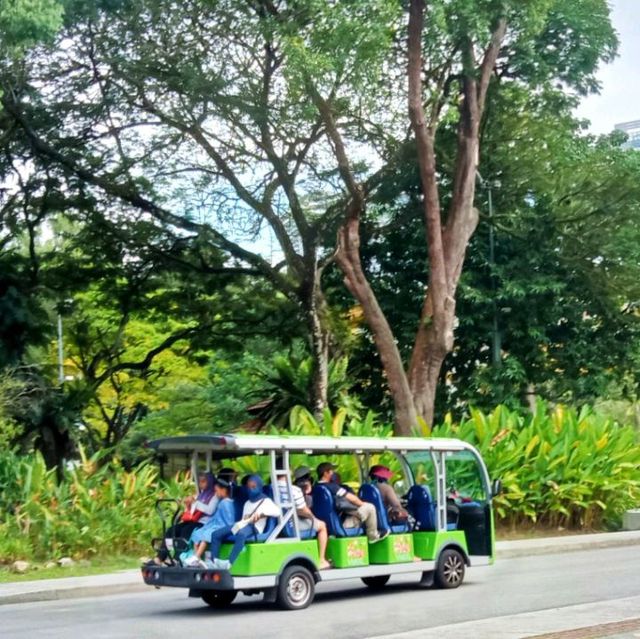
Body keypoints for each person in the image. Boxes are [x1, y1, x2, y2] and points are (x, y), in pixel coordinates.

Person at [208, 474, 281, 570]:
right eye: (249, 487)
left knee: (241, 534)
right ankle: (214, 561)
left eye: (254, 487)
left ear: (259, 487)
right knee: (216, 534)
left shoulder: (266, 501)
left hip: (254, 528)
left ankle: (229, 563)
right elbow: (243, 520)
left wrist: (262, 514)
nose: (251, 489)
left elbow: (278, 512)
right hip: (242, 525)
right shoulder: (247, 503)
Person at [155, 471, 217, 564]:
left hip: (205, 523)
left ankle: (177, 558)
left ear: (210, 482)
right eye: (200, 481)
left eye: (203, 481)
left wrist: (196, 502)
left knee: (185, 531)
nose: (200, 484)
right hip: (194, 520)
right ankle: (160, 557)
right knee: (172, 530)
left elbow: (210, 510)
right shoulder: (201, 495)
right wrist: (188, 504)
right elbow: (193, 510)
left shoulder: (215, 496)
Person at [316, 462, 387, 543]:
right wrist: (362, 504)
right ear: (325, 473)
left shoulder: (316, 487)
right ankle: (373, 536)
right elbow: (351, 498)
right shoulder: (332, 486)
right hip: (341, 523)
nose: (333, 473)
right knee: (370, 507)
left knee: (355, 513)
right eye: (331, 471)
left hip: (329, 523)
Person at [278, 469, 331, 570]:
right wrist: (313, 517)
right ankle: (321, 560)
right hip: (293, 524)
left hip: (281, 523)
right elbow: (303, 509)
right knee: (322, 525)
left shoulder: (271, 488)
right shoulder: (293, 489)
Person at [184, 478, 236, 568]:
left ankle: (197, 556)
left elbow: (229, 521)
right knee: (197, 532)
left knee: (207, 534)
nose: (215, 493)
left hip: (222, 526)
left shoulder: (227, 503)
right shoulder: (221, 501)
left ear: (223, 490)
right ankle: (196, 558)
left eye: (217, 491)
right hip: (215, 523)